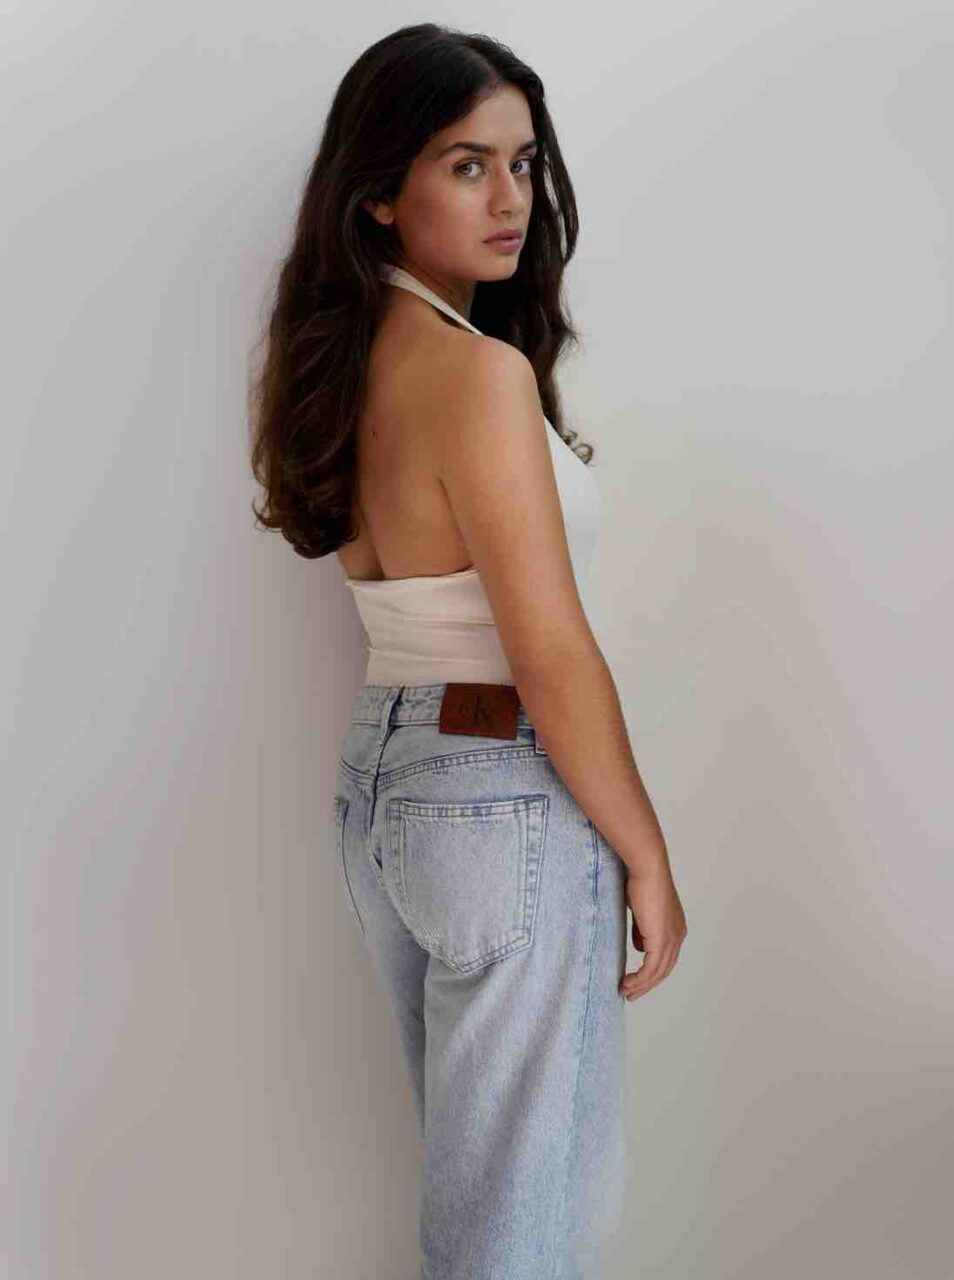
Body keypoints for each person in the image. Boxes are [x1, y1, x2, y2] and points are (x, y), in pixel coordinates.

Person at [248, 22, 688, 1280]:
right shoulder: (478, 373)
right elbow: (548, 648)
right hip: (500, 794)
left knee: (480, 1206)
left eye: (524, 162)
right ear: (379, 193)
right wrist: (647, 852)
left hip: (386, 790)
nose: (511, 198)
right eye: (466, 164)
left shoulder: (336, 363)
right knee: (523, 1231)